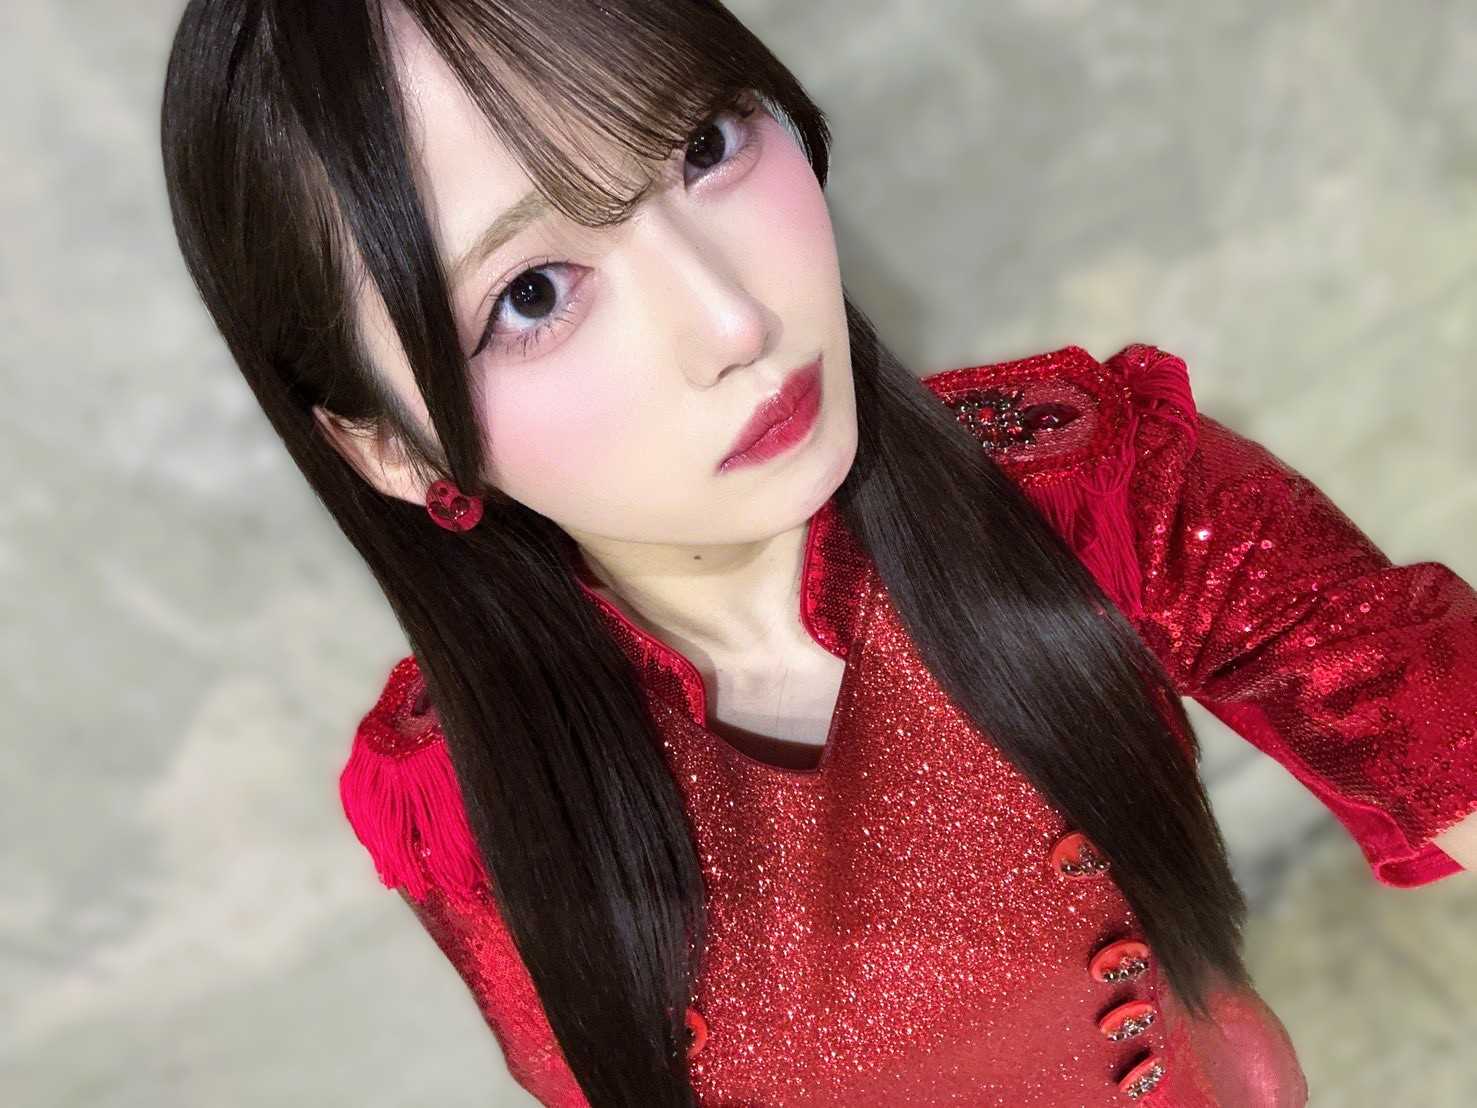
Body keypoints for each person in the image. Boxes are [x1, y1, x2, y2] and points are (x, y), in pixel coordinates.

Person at [157, 2, 1477, 1104]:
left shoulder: (1093, 496)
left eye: (703, 144)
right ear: (391, 446)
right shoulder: (464, 801)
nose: (733, 318)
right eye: (534, 295)